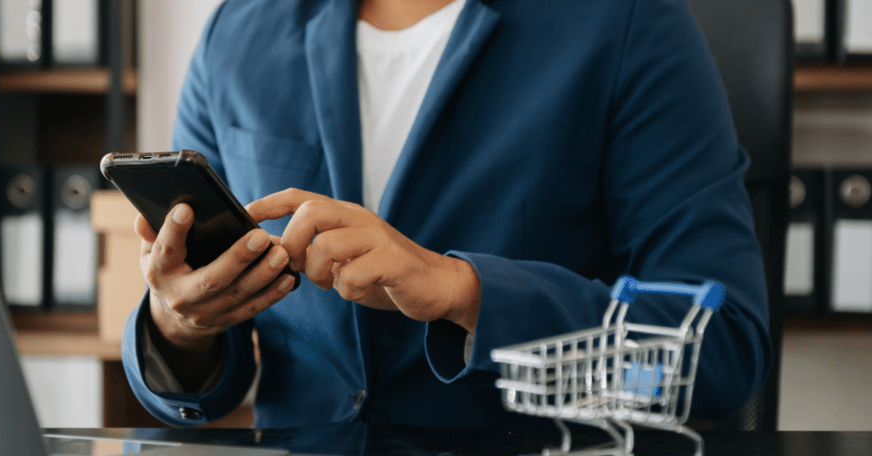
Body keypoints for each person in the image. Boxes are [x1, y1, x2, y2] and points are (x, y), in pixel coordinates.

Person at [121, 0, 772, 429]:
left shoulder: (629, 21)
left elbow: (721, 350)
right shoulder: (237, 32)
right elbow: (216, 364)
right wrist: (178, 326)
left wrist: (463, 292)